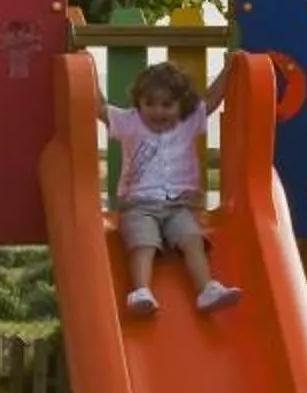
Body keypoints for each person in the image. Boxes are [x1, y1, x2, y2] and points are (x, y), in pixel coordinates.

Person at [103, 61, 241, 317]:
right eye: (150, 103)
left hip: (179, 205)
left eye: (167, 105)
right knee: (143, 242)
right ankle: (141, 291)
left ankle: (206, 289)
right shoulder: (130, 122)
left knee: (192, 240)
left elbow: (211, 98)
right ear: (139, 103)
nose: (158, 111)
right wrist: (82, 70)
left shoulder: (188, 122)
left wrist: (230, 67)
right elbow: (99, 109)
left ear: (181, 105)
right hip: (139, 205)